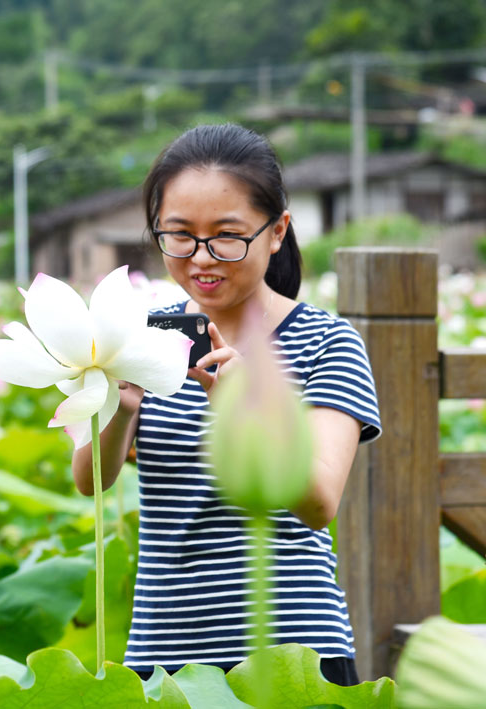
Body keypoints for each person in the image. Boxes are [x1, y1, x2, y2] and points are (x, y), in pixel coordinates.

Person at [71, 123, 381, 685]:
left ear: (277, 231)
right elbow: (91, 481)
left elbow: (319, 503)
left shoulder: (327, 342)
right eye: (180, 235)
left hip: (292, 657)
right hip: (165, 657)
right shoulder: (136, 337)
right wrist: (120, 403)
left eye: (227, 236)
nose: (201, 258)